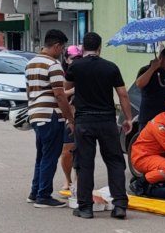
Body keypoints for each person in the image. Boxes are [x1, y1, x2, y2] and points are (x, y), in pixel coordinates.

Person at [64, 31, 133, 219]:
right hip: (107, 121)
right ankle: (120, 206)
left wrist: (70, 116)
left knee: (84, 163)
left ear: (83, 48)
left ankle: (85, 208)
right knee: (115, 162)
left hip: (84, 121)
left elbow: (65, 90)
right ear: (100, 48)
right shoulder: (111, 67)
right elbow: (123, 95)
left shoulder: (75, 67)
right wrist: (128, 118)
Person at [23, 29, 74, 209]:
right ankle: (44, 195)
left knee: (41, 155)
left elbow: (30, 92)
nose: (62, 52)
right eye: (62, 48)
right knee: (50, 156)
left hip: (36, 114)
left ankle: (35, 192)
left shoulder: (30, 64)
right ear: (56, 46)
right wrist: (70, 118)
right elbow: (59, 95)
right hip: (51, 115)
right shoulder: (53, 65)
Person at [58, 45, 83, 198]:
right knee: (66, 152)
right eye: (73, 59)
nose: (76, 62)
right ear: (66, 59)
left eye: (79, 59)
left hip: (82, 116)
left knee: (81, 151)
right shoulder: (61, 74)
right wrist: (73, 91)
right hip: (66, 116)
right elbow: (59, 94)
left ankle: (78, 180)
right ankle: (68, 180)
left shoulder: (85, 72)